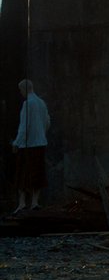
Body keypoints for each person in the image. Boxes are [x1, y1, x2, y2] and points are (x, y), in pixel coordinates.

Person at [11, 79, 50, 214]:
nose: (20, 93)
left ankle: (22, 203)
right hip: (40, 143)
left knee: (22, 175)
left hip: (27, 145)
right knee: (37, 173)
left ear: (24, 89)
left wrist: (16, 142)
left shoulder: (27, 104)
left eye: (20, 90)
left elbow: (24, 127)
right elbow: (47, 122)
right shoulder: (41, 103)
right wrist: (41, 134)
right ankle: (34, 202)